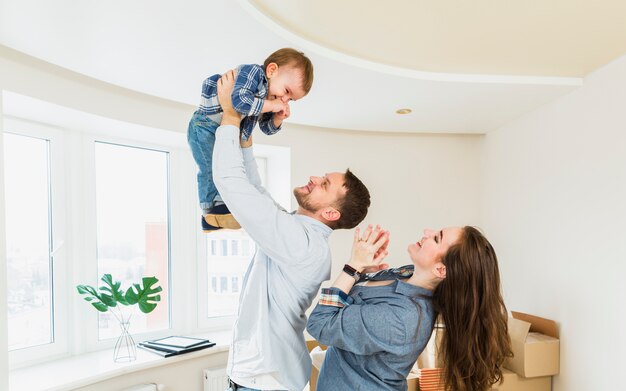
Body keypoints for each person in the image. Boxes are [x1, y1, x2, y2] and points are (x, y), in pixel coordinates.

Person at [213, 70, 371, 391]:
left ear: (329, 212)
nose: (314, 178)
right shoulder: (298, 233)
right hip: (265, 376)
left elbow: (231, 184)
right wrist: (245, 133)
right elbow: (255, 191)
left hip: (264, 380)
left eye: (324, 184)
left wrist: (230, 115)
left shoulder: (301, 244)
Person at [307, 225, 512, 391]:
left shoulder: (402, 318)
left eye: (437, 238)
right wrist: (364, 271)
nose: (426, 232)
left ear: (440, 269)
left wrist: (353, 267)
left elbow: (320, 324)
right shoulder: (407, 274)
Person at [187, 48, 314, 231]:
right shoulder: (253, 73)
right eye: (286, 91)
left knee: (222, 169)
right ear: (271, 71)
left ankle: (217, 213)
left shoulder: (265, 99)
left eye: (290, 99)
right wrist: (270, 105)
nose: (285, 99)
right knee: (209, 168)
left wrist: (277, 118)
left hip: (222, 131)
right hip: (204, 126)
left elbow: (265, 128)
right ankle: (210, 210)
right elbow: (239, 101)